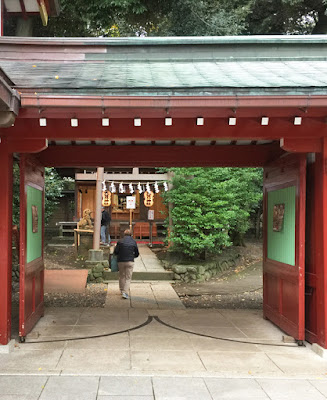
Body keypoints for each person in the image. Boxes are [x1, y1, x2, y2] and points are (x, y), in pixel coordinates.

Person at [114, 229, 139, 299]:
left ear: (124, 234)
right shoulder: (133, 242)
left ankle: (121, 290)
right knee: (128, 277)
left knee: (122, 276)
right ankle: (125, 292)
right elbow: (137, 253)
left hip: (121, 261)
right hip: (130, 261)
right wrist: (133, 256)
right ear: (131, 234)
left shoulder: (120, 241)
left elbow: (116, 252)